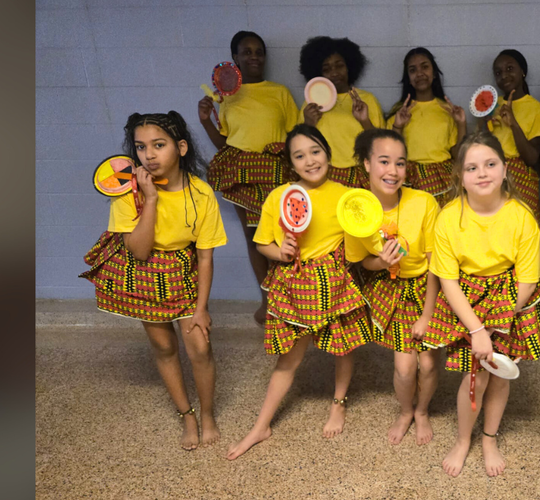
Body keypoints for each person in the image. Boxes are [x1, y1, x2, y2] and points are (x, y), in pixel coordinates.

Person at [80, 112, 227, 450]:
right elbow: (139, 251)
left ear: (181, 148)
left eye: (159, 145)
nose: (149, 154)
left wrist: (202, 308)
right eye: (141, 147)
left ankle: (207, 414)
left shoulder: (202, 193)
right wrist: (151, 199)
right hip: (144, 275)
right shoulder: (127, 194)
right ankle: (186, 416)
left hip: (183, 271)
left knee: (200, 347)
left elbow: (205, 256)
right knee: (163, 347)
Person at [226, 125, 369, 461]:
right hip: (295, 285)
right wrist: (282, 253)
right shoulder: (280, 197)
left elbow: (360, 243)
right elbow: (262, 243)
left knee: (342, 348)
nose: (310, 160)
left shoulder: (347, 195)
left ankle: (338, 404)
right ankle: (261, 424)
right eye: (299, 155)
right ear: (291, 164)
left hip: (335, 284)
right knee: (288, 358)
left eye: (315, 151)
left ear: (328, 154)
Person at [423, 131, 540, 477]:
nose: (482, 173)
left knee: (500, 374)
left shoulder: (521, 216)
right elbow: (447, 279)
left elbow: (527, 279)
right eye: (472, 167)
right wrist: (477, 329)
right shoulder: (448, 217)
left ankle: (489, 438)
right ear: (459, 177)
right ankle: (464, 440)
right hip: (467, 297)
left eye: (490, 164)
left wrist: (496, 324)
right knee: (473, 374)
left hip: (511, 296)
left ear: (505, 169)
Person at [344, 128, 441, 445]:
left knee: (426, 366)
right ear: (367, 164)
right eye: (384, 161)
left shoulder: (424, 203)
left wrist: (426, 315)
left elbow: (436, 265)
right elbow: (361, 262)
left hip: (428, 290)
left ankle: (422, 411)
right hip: (392, 290)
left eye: (400, 163)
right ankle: (405, 412)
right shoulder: (355, 211)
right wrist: (381, 263)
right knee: (404, 370)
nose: (393, 171)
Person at [198, 30, 299, 324]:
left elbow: (295, 134)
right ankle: (268, 299)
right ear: (235, 59)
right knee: (255, 236)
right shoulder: (227, 96)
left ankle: (290, 297)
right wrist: (206, 120)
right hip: (242, 173)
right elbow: (224, 143)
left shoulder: (279, 92)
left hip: (278, 170)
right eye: (247, 51)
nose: (254, 56)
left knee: (284, 234)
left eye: (259, 51)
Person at [298, 36, 384, 188]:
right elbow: (299, 146)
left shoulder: (367, 100)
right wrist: (308, 123)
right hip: (325, 175)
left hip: (361, 174)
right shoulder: (311, 103)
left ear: (349, 67)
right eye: (326, 69)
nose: (334, 72)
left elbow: (381, 145)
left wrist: (364, 120)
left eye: (339, 66)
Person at [387, 47, 466, 206]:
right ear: (408, 78)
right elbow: (391, 156)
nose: (420, 73)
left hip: (443, 180)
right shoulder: (399, 113)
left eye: (425, 67)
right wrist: (398, 126)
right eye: (413, 70)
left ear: (434, 73)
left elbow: (459, 156)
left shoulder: (447, 111)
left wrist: (461, 123)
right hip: (409, 179)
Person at [480, 49, 540, 218]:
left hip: (522, 183)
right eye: (498, 72)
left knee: (521, 233)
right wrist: (483, 120)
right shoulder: (492, 106)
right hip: (493, 178)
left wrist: (513, 123)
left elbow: (532, 158)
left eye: (510, 69)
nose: (504, 75)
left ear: (523, 72)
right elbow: (481, 149)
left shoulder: (537, 109)